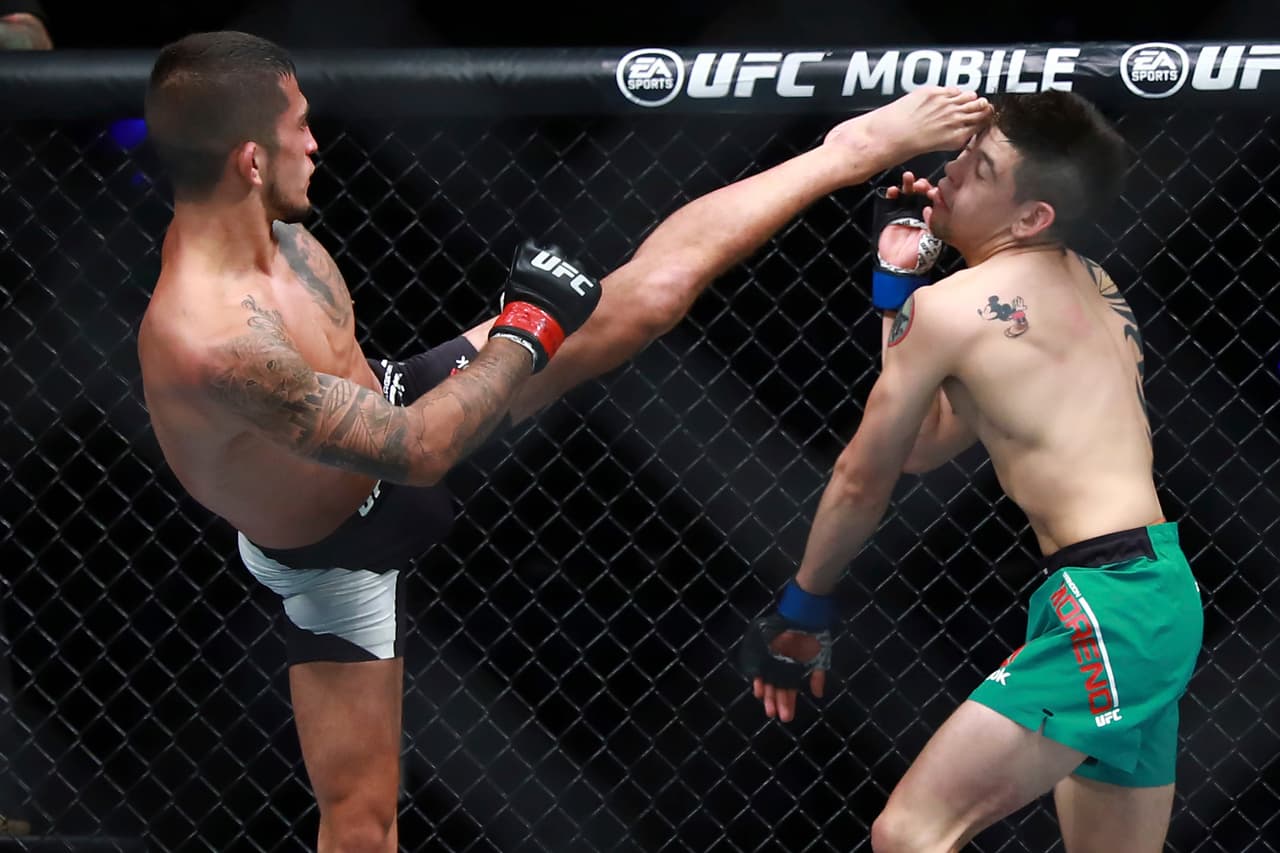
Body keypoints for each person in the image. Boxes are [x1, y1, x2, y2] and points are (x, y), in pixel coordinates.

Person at [136, 29, 991, 852]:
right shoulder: (216, 338)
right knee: (362, 824)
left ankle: (846, 150)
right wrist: (528, 327)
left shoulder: (279, 236)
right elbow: (419, 447)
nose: (316, 144)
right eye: (297, 130)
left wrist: (529, 334)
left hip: (383, 403)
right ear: (250, 161)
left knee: (644, 300)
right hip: (336, 552)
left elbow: (386, 404)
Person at [738, 89, 1204, 852]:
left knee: (911, 832)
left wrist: (805, 603)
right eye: (964, 152)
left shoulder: (954, 310)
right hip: (1148, 593)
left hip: (1110, 604)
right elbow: (926, 442)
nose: (948, 173)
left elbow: (867, 472)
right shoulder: (1097, 286)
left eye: (980, 168)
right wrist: (902, 288)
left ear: (1031, 219)